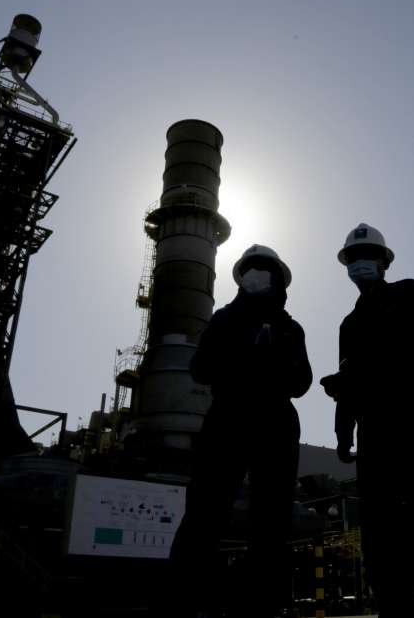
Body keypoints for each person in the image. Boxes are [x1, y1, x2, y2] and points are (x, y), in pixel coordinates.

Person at [319, 223, 414, 617]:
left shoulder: (410, 292)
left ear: (384, 262)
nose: (359, 264)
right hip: (374, 428)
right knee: (379, 520)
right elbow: (348, 378)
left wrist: (365, 367)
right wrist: (342, 432)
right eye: (352, 258)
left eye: (367, 256)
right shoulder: (348, 325)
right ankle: (393, 603)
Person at [168, 244, 312, 617]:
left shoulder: (290, 328)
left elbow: (302, 381)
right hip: (228, 418)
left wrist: (275, 362)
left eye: (263, 269)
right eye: (249, 269)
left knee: (272, 519)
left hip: (275, 422)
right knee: (204, 511)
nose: (255, 274)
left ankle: (264, 605)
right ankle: (184, 602)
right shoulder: (223, 320)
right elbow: (200, 369)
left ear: (278, 278)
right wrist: (239, 356)